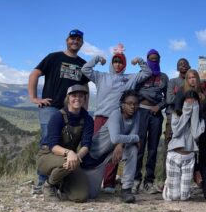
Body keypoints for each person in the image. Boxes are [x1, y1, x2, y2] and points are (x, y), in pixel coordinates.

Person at [81, 44, 149, 194]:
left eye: (120, 62)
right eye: (115, 61)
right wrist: (97, 58)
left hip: (119, 120)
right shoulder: (101, 76)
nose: (117, 65)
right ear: (112, 63)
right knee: (97, 149)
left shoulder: (128, 79)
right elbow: (85, 69)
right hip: (101, 117)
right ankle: (90, 177)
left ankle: (109, 183)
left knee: (115, 151)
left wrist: (139, 61)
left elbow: (146, 72)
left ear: (124, 65)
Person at [28, 29, 90, 194]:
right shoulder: (54, 57)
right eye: (72, 38)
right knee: (48, 142)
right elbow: (34, 74)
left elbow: (85, 87)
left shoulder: (83, 64)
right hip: (51, 106)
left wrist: (85, 107)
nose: (75, 41)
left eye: (78, 39)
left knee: (67, 142)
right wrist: (34, 98)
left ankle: (57, 181)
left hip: (72, 108)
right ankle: (42, 182)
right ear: (67, 40)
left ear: (81, 43)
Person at [82, 90, 141, 203]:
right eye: (129, 103)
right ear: (122, 105)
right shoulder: (115, 114)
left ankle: (126, 189)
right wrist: (135, 138)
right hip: (95, 157)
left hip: (111, 153)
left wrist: (121, 144)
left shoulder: (136, 115)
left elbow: (130, 134)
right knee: (91, 195)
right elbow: (116, 138)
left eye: (135, 103)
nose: (133, 106)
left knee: (132, 149)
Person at [36, 85, 93, 202]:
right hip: (47, 155)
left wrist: (77, 156)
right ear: (68, 98)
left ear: (84, 99)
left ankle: (61, 184)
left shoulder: (87, 119)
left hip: (70, 159)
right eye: (74, 95)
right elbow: (53, 146)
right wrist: (69, 153)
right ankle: (48, 185)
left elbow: (86, 145)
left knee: (81, 197)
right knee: (70, 161)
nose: (77, 98)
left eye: (81, 96)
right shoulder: (57, 117)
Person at [135, 49, 169, 194]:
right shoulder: (141, 75)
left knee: (153, 148)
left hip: (156, 115)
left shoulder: (163, 77)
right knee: (139, 147)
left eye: (155, 59)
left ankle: (149, 181)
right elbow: (133, 92)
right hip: (141, 113)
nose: (153, 61)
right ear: (147, 60)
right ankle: (135, 180)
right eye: (151, 59)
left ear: (159, 60)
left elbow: (168, 98)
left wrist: (158, 106)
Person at [162, 89, 205, 201]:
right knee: (174, 197)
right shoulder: (176, 114)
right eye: (188, 103)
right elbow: (176, 132)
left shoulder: (201, 119)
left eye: (193, 103)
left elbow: (195, 134)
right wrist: (186, 113)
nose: (190, 105)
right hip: (174, 155)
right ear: (183, 102)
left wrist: (194, 113)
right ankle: (168, 185)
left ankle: (179, 188)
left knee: (184, 197)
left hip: (189, 158)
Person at [160, 58, 191, 184]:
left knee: (188, 149)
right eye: (180, 64)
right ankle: (164, 180)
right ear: (177, 68)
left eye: (185, 64)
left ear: (189, 66)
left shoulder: (192, 81)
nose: (183, 66)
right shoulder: (173, 82)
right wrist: (186, 97)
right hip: (173, 117)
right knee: (169, 147)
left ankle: (185, 181)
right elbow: (169, 99)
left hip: (189, 118)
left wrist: (180, 96)